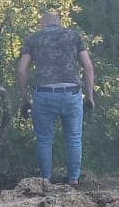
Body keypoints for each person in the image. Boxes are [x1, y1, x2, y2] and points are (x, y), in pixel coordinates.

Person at [17, 10, 95, 186]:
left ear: (42, 24)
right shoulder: (73, 36)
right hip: (72, 92)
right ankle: (73, 180)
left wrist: (24, 98)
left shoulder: (33, 38)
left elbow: (22, 70)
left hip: (44, 93)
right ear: (59, 23)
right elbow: (88, 67)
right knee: (74, 138)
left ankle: (45, 180)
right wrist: (89, 96)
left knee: (44, 139)